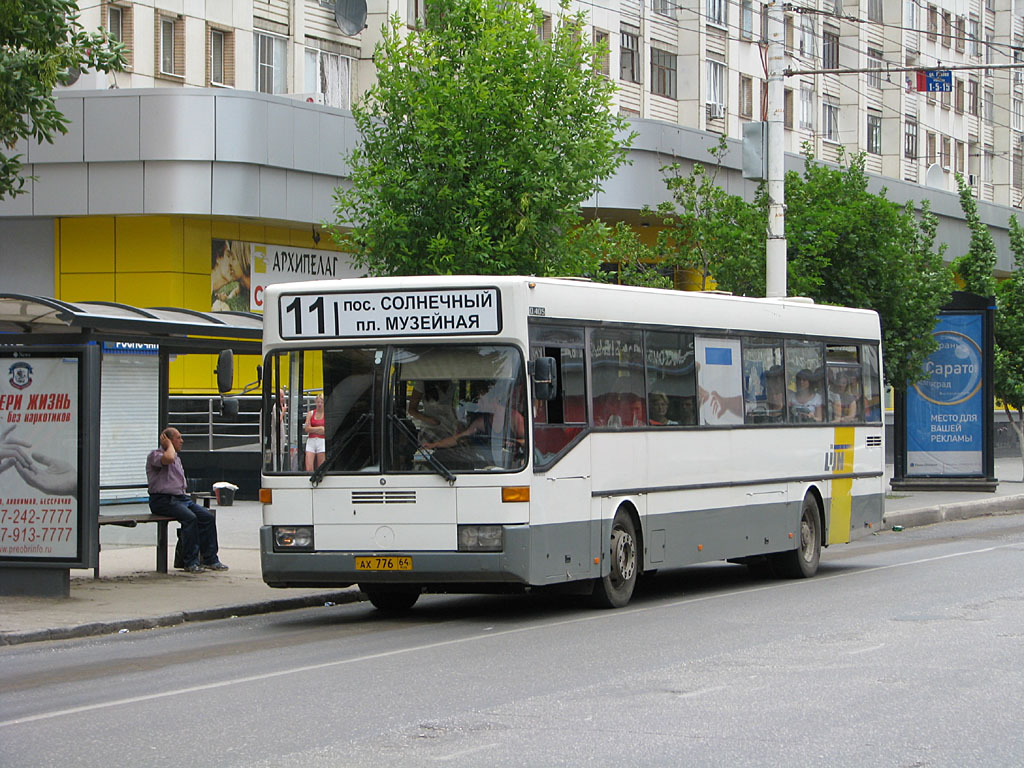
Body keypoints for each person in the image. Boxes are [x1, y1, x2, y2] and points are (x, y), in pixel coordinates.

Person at [146, 427, 228, 573]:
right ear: (168, 440)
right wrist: (168, 446)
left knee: (207, 517)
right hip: (163, 500)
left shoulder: (177, 458)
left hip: (181, 498)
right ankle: (190, 561)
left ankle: (210, 559)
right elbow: (168, 458)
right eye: (178, 438)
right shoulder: (156, 455)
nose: (181, 441)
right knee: (190, 519)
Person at [304, 394, 326, 471]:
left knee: (321, 467)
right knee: (309, 468)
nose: (319, 404)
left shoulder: (326, 414)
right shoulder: (311, 413)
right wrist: (319, 428)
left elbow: (325, 431)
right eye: (318, 402)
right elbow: (307, 429)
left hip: (322, 441)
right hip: (311, 440)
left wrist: (312, 428)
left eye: (322, 402)